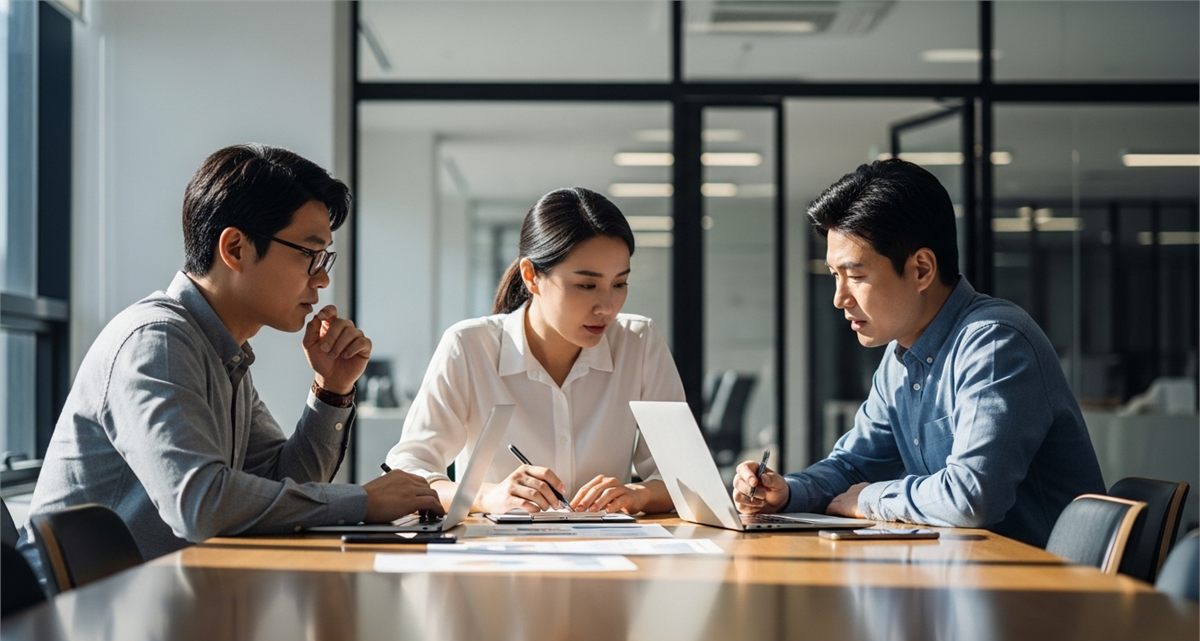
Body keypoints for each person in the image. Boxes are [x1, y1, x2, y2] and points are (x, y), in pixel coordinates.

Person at [18, 144, 442, 576]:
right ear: (236, 248)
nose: (323, 277)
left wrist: (331, 391)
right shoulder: (157, 342)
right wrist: (363, 501)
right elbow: (200, 504)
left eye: (324, 257)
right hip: (80, 625)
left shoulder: (221, 351)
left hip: (154, 607)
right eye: (308, 254)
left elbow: (284, 483)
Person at [733, 159, 1104, 547]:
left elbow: (970, 497)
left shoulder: (994, 343)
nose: (839, 299)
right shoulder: (900, 358)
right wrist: (786, 491)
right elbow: (853, 465)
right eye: (834, 276)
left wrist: (870, 498)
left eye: (856, 277)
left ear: (922, 269)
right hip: (966, 579)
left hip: (1043, 590)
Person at [385, 187, 684, 515]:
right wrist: (486, 496)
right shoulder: (469, 347)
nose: (607, 307)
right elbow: (408, 471)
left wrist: (636, 494)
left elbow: (684, 476)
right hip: (500, 557)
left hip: (611, 554)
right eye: (586, 285)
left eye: (620, 284)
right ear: (531, 276)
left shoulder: (639, 343)